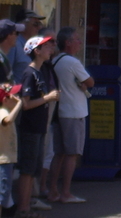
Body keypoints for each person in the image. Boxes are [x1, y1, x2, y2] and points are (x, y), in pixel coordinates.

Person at [47, 28, 92, 205]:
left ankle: (53, 191)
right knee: (72, 154)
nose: (80, 42)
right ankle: (66, 192)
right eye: (77, 39)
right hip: (74, 112)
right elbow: (90, 82)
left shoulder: (55, 60)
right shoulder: (72, 62)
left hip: (59, 111)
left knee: (59, 154)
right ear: (68, 43)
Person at [17, 35, 59, 218]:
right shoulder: (29, 73)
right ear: (37, 51)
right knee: (27, 170)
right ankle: (23, 208)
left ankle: (27, 205)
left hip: (39, 127)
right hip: (30, 128)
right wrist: (48, 98)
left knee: (34, 169)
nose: (50, 48)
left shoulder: (41, 71)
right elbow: (25, 104)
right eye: (46, 46)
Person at [0, 84, 22, 218]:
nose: (17, 97)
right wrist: (19, 104)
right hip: (3, 161)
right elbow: (7, 120)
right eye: (13, 96)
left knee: (5, 196)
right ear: (5, 100)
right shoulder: (3, 111)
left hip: (7, 160)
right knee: (1, 196)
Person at [8, 11, 45, 84]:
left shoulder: (35, 45)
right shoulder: (14, 45)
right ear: (23, 26)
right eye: (35, 24)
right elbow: (6, 73)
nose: (39, 27)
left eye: (40, 24)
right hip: (18, 93)